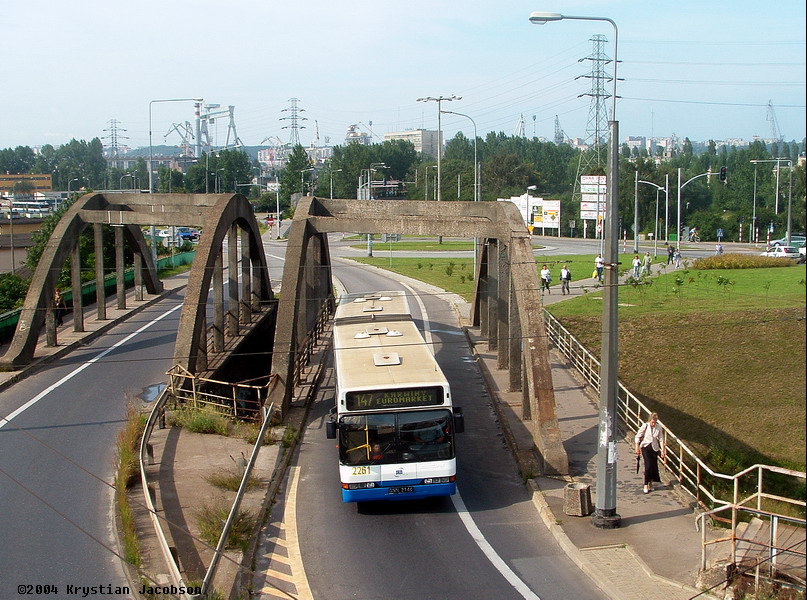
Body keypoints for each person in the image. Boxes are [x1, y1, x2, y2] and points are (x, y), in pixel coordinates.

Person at [635, 412, 666, 494]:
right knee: (648, 466)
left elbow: (661, 439)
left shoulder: (659, 427)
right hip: (646, 447)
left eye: (655, 422)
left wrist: (663, 450)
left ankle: (650, 483)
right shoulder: (645, 426)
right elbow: (638, 436)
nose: (653, 424)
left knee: (653, 466)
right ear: (649, 421)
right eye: (652, 422)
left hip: (654, 448)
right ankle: (645, 484)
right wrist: (637, 447)